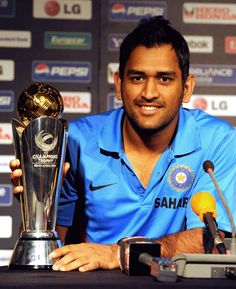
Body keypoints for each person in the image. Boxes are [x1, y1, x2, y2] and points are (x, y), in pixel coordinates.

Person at [10, 16, 236, 272]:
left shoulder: (218, 140)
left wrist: (119, 255)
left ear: (186, 88)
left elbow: (212, 241)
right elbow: (52, 251)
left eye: (164, 79)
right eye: (137, 78)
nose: (149, 92)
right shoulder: (75, 140)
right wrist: (37, 207)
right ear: (119, 84)